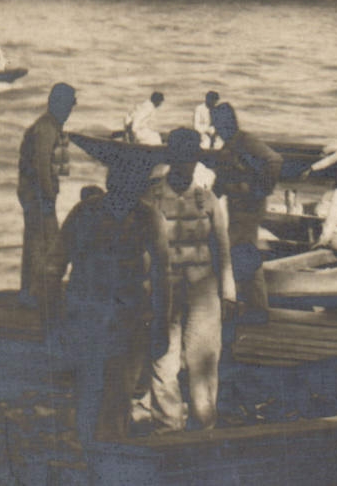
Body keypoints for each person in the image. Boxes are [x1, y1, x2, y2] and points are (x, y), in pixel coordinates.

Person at [44, 156, 169, 445]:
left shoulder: (95, 212)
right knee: (104, 401)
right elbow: (53, 269)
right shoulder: (142, 215)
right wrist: (54, 324)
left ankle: (99, 458)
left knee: (102, 399)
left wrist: (53, 323)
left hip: (116, 321)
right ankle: (101, 460)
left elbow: (52, 270)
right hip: (102, 320)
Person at [139, 129, 234, 433]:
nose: (186, 161)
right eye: (181, 154)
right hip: (163, 289)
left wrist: (228, 294)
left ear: (197, 157)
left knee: (203, 360)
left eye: (191, 155)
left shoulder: (208, 200)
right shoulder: (151, 196)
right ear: (171, 155)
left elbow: (222, 248)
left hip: (202, 288)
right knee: (162, 357)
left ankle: (204, 426)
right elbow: (140, 248)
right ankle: (168, 426)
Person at [211, 102, 282, 319]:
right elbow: (223, 180)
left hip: (249, 206)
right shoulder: (228, 147)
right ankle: (251, 305)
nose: (216, 129)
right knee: (240, 251)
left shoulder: (246, 141)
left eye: (219, 124)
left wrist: (260, 189)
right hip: (236, 207)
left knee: (241, 250)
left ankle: (255, 307)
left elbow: (275, 160)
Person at [18, 83, 76, 307]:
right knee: (48, 243)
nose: (70, 111)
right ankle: (36, 293)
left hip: (35, 193)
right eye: (69, 105)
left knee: (37, 239)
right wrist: (48, 195)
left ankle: (31, 291)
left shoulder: (49, 125)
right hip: (38, 194)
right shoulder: (47, 129)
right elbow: (41, 166)